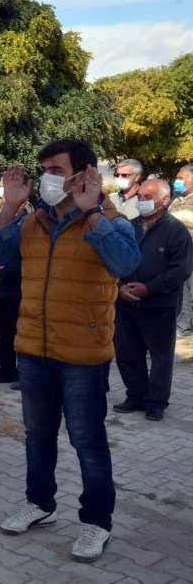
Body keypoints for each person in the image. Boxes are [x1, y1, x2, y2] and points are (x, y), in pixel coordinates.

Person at [0, 138, 141, 563]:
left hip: (82, 354)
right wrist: (11, 209)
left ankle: (97, 522)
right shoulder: (33, 221)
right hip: (34, 348)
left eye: (57, 169)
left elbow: (126, 265)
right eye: (45, 171)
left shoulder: (111, 219)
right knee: (38, 436)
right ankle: (41, 504)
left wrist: (91, 213)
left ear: (85, 174)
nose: (49, 178)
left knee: (87, 440)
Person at [112, 179, 192, 421]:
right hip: (126, 303)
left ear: (165, 200)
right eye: (141, 197)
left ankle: (156, 402)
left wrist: (149, 288)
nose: (142, 202)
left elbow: (180, 271)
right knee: (127, 353)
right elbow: (114, 259)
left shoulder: (176, 231)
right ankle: (136, 396)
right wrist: (120, 287)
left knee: (160, 357)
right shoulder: (129, 227)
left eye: (148, 197)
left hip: (159, 306)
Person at [0, 190, 29, 389]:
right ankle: (5, 369)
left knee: (20, 332)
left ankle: (22, 372)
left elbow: (27, 256)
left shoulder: (29, 223)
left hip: (16, 288)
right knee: (1, 333)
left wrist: (4, 273)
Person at [169, 164, 193, 335]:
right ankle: (180, 324)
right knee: (181, 290)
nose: (176, 182)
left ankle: (184, 326)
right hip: (176, 253)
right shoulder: (175, 200)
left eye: (180, 179)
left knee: (190, 291)